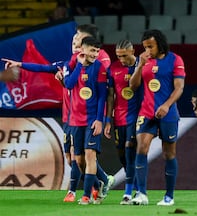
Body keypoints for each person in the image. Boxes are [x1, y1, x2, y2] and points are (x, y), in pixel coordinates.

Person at [1, 24, 114, 203]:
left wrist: (103, 119)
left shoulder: (97, 66)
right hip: (70, 118)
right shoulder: (65, 66)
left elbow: (102, 94)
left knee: (87, 155)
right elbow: (44, 69)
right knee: (73, 159)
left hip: (88, 118)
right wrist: (20, 64)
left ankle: (80, 192)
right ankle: (101, 181)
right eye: (74, 41)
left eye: (78, 41)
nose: (74, 44)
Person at [129, 29, 185, 206]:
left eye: (150, 46)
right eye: (145, 47)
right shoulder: (143, 59)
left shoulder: (175, 59)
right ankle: (141, 194)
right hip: (146, 112)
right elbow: (133, 86)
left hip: (168, 113)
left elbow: (179, 88)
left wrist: (166, 105)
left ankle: (169, 197)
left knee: (169, 153)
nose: (148, 50)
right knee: (141, 148)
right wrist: (139, 65)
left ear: (160, 44)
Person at [63, 36, 108, 205]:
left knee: (90, 156)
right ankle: (98, 184)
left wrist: (99, 120)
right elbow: (69, 84)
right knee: (79, 161)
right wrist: (80, 65)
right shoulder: (73, 64)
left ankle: (86, 196)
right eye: (92, 50)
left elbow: (102, 96)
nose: (95, 54)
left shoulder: (100, 68)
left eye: (97, 51)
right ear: (83, 49)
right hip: (75, 121)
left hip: (91, 120)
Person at [104, 39, 142, 205]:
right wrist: (107, 120)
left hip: (137, 116)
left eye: (125, 56)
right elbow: (110, 96)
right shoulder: (113, 68)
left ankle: (127, 192)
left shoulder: (142, 66)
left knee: (129, 149)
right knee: (122, 155)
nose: (122, 60)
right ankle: (136, 186)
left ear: (133, 51)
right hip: (119, 117)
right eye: (119, 56)